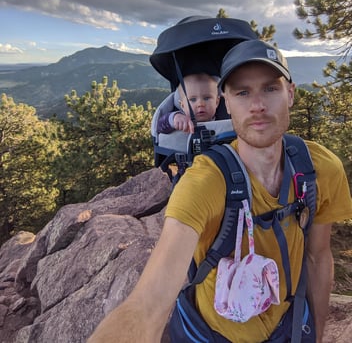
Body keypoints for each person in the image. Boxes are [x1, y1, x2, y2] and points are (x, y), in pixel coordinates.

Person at [88, 39, 352, 343]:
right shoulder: (206, 181)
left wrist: (316, 335)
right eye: (242, 92)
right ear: (226, 99)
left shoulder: (319, 168)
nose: (258, 106)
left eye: (270, 88)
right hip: (212, 334)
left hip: (289, 327)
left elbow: (318, 258)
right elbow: (149, 302)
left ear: (289, 93)